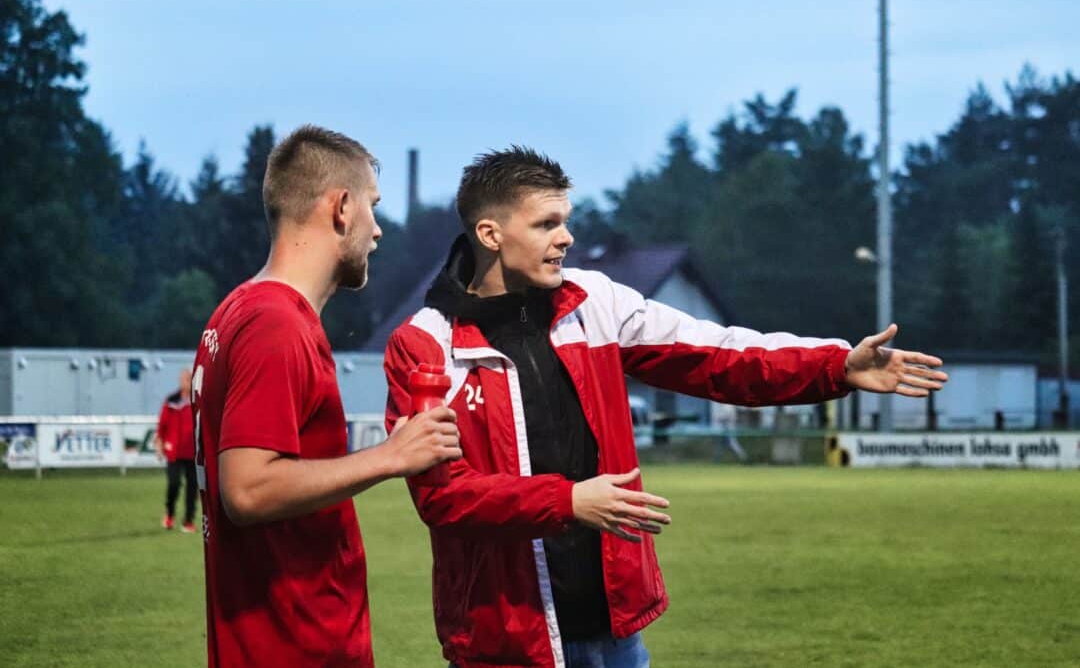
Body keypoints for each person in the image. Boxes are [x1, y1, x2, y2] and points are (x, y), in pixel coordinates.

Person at [382, 146, 948, 668]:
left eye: (566, 221)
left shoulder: (595, 303)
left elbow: (718, 355)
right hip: (503, 636)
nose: (567, 238)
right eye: (547, 224)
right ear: (491, 233)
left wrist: (834, 366)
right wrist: (569, 500)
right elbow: (444, 497)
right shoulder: (425, 343)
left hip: (614, 631)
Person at [191, 125, 462, 668]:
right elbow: (246, 490)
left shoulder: (240, 309)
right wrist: (391, 456)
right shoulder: (275, 323)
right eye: (372, 207)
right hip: (294, 646)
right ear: (341, 208)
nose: (378, 230)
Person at [154, 367, 197, 532]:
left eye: (189, 379)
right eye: (184, 379)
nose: (186, 382)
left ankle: (188, 521)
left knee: (192, 488)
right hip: (174, 453)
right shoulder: (171, 401)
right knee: (174, 483)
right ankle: (170, 513)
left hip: (193, 453)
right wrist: (159, 446)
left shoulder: (198, 401)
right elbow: (161, 427)